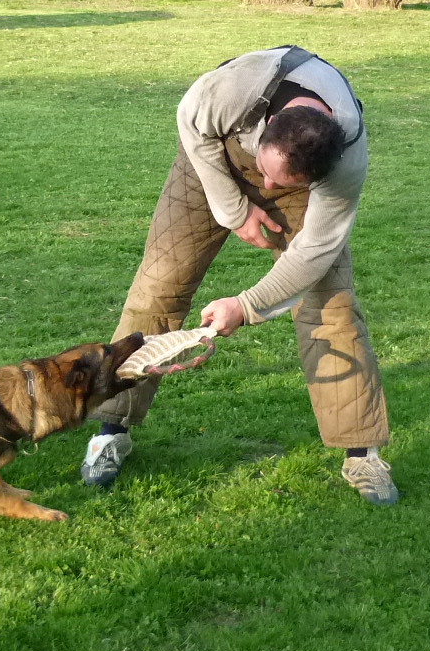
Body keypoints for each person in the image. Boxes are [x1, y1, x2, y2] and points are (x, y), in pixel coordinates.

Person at [81, 44, 395, 504]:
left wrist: (247, 306)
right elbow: (190, 120)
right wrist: (235, 211)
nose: (266, 188)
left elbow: (313, 254)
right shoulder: (233, 90)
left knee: (332, 306)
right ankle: (112, 431)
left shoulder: (345, 162)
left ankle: (362, 455)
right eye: (266, 174)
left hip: (298, 180)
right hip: (213, 158)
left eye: (276, 184)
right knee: (158, 287)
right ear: (269, 126)